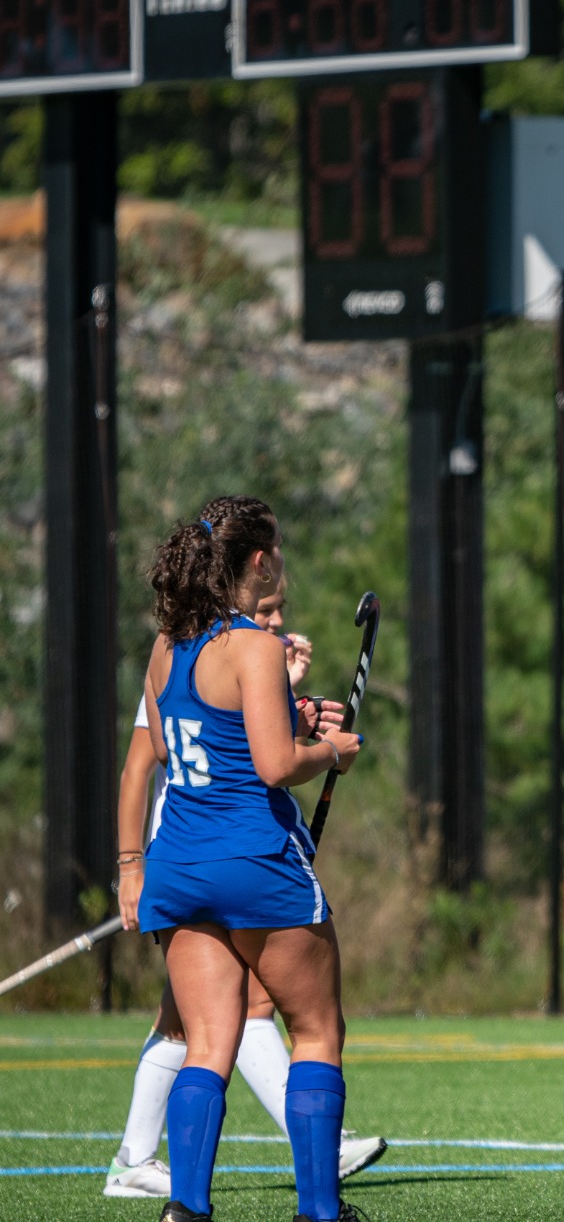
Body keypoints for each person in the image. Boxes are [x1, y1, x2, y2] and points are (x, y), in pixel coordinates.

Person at [123, 495, 366, 1222]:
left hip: (182, 863)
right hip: (256, 862)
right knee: (318, 1028)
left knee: (208, 1041)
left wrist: (290, 712)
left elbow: (170, 750)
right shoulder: (256, 647)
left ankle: (187, 1208)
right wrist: (330, 750)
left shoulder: (168, 644)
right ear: (259, 561)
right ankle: (320, 1210)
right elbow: (272, 766)